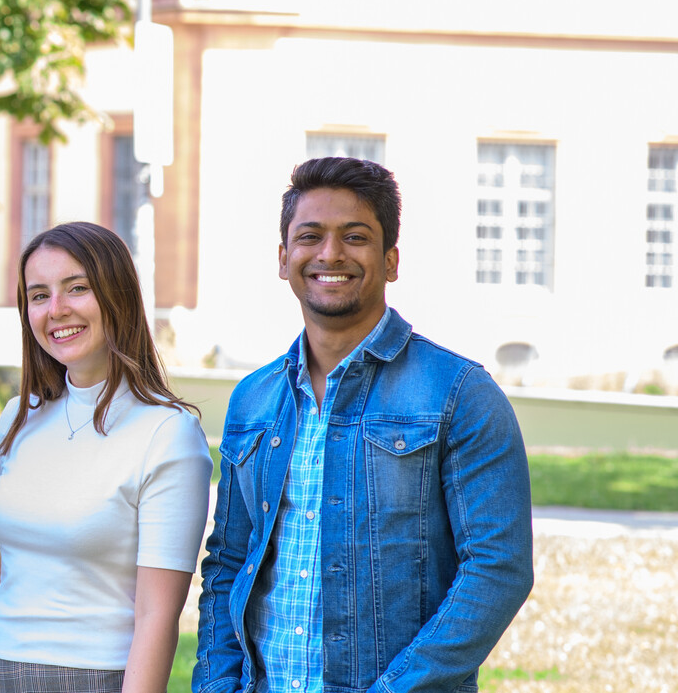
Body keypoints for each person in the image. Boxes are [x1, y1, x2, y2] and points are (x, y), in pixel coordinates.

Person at [193, 157, 534, 693]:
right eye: (310, 236)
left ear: (391, 259)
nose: (330, 253)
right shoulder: (253, 400)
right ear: (283, 259)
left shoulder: (460, 394)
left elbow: (497, 571)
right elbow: (228, 564)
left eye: (355, 236)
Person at [0, 222, 212, 693]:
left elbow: (157, 616)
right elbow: (16, 565)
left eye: (77, 288)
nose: (56, 310)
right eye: (38, 295)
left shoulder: (167, 434)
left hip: (95, 676)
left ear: (117, 295)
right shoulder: (19, 419)